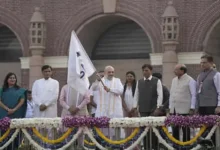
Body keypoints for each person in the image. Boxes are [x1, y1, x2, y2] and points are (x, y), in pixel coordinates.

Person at [134, 64, 163, 150]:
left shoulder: (156, 80)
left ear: (151, 71)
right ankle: (146, 147)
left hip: (153, 109)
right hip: (143, 109)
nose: (145, 72)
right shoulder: (139, 82)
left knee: (154, 130)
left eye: (146, 70)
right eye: (143, 70)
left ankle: (155, 147)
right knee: (144, 130)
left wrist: (158, 107)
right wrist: (135, 107)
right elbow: (136, 95)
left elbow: (160, 95)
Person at [92, 66, 124, 139]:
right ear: (105, 73)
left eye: (112, 72)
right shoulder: (100, 82)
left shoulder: (117, 80)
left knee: (115, 131)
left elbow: (120, 91)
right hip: (103, 111)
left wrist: (110, 89)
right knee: (103, 132)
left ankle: (116, 146)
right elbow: (93, 88)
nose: (111, 74)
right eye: (109, 72)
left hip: (115, 111)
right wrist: (98, 79)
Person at [169, 64, 196, 146]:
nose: (174, 71)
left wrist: (192, 107)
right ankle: (176, 146)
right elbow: (172, 94)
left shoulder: (190, 80)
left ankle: (185, 146)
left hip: (185, 109)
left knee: (185, 130)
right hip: (174, 109)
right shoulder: (174, 80)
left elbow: (193, 94)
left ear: (182, 70)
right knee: (175, 130)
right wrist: (170, 108)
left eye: (176, 70)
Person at [196, 54, 220, 145]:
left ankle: (213, 144)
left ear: (211, 63)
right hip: (202, 105)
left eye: (204, 63)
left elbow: (219, 91)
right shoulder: (200, 75)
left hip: (212, 105)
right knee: (203, 126)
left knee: (212, 127)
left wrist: (219, 106)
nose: (202, 64)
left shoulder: (216, 75)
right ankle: (204, 144)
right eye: (201, 63)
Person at [0, 72, 27, 150]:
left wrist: (14, 109)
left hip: (16, 114)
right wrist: (7, 109)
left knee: (15, 132)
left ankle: (15, 147)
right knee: (4, 132)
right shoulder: (2, 90)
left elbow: (22, 100)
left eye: (14, 78)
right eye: (10, 78)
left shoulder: (20, 90)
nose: (12, 79)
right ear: (7, 80)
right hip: (4, 114)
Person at [59, 84, 90, 150]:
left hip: (81, 112)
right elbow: (61, 100)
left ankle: (80, 146)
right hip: (68, 113)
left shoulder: (83, 87)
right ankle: (70, 147)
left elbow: (87, 99)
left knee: (81, 132)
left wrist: (78, 108)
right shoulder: (65, 87)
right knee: (67, 132)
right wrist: (68, 108)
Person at [121, 71, 140, 150]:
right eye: (128, 76)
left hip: (135, 110)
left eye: (131, 76)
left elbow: (138, 99)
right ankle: (127, 146)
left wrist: (133, 109)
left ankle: (136, 146)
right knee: (127, 129)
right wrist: (127, 109)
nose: (129, 78)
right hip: (126, 110)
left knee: (135, 129)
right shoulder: (123, 86)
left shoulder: (137, 87)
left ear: (134, 77)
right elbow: (122, 99)